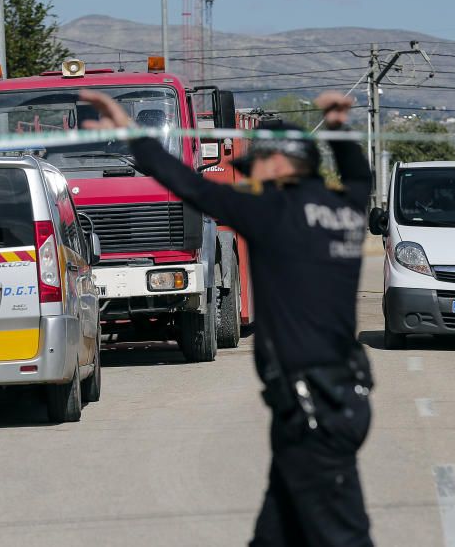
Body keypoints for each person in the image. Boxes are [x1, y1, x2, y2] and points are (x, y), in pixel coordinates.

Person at [79, 89, 375, 547]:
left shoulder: (275, 211)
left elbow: (189, 185)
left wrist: (134, 135)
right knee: (277, 532)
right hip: (336, 398)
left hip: (312, 407)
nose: (252, 176)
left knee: (342, 535)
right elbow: (359, 176)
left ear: (278, 164)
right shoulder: (347, 210)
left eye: (256, 166)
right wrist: (337, 127)